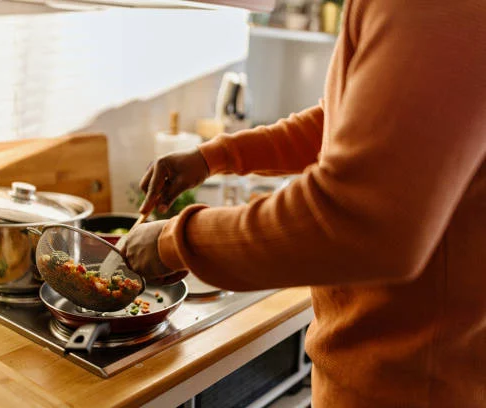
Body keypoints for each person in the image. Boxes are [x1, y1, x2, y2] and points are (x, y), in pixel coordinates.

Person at [122, 0, 486, 407]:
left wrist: (171, 242)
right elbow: (342, 120)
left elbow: (359, 224)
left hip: (414, 388)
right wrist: (215, 156)